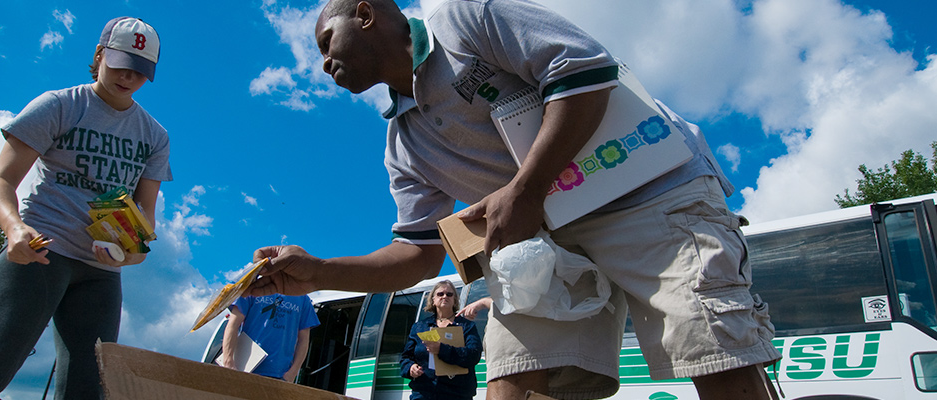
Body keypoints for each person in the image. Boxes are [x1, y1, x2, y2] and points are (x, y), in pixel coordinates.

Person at [248, 0, 782, 399]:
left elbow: (585, 72)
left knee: (712, 344)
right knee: (517, 369)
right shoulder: (404, 145)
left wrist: (524, 191)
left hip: (650, 188)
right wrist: (316, 272)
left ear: (364, 13)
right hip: (546, 240)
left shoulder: (463, 20)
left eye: (325, 43)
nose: (323, 64)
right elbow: (417, 253)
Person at [0, 17, 169, 400]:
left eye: (139, 71)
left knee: (89, 388)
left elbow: (145, 218)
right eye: (120, 65)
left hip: (101, 273)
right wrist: (14, 229)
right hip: (40, 252)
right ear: (100, 54)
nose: (127, 77)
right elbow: (0, 181)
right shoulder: (59, 105)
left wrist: (132, 252)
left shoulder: (154, 136)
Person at [400, 281, 482, 400]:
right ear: (433, 299)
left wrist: (442, 349)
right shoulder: (420, 327)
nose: (445, 296)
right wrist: (410, 368)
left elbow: (474, 355)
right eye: (440, 294)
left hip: (456, 394)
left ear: (455, 300)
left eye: (449, 294)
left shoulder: (466, 326)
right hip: (424, 393)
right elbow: (406, 357)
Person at [219, 294, 320, 382]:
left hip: (279, 376)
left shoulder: (303, 298)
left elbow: (304, 340)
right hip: (245, 369)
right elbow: (232, 325)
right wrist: (228, 363)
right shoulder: (253, 289)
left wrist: (292, 373)